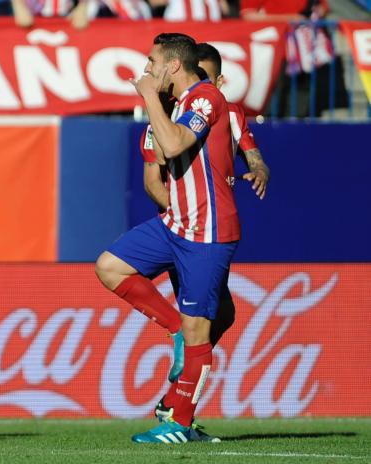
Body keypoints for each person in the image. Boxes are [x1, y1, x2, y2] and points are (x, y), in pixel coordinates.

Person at [96, 32, 239, 444]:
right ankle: (176, 329)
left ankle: (179, 423)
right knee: (110, 266)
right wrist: (157, 106)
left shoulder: (206, 97)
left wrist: (149, 99)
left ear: (173, 65)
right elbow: (156, 162)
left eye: (152, 62)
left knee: (203, 331)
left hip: (205, 231)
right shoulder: (176, 106)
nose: (146, 70)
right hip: (174, 223)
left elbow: (173, 145)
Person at [142, 41, 270, 442]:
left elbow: (251, 150)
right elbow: (153, 175)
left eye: (211, 80)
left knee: (215, 318)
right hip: (185, 226)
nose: (208, 87)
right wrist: (179, 217)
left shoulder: (222, 107)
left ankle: (178, 415)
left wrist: (258, 167)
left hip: (210, 228)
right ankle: (177, 407)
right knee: (112, 265)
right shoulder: (168, 112)